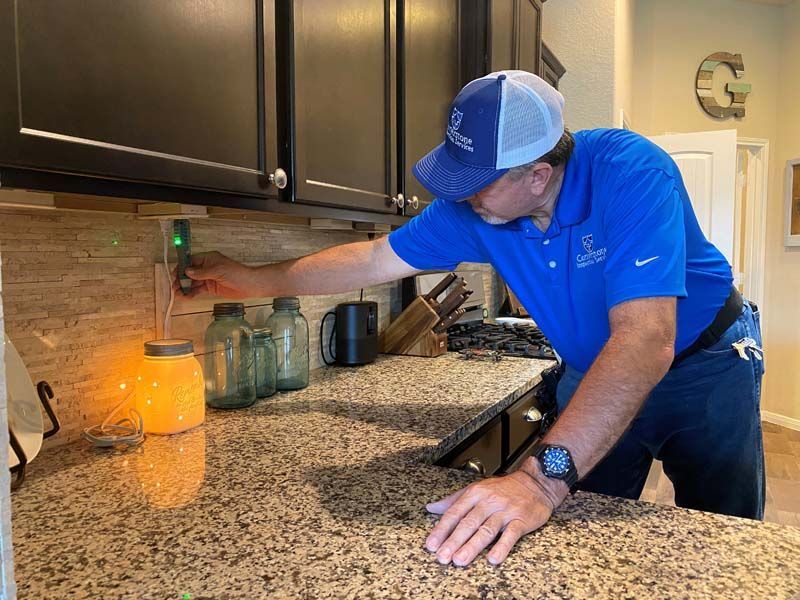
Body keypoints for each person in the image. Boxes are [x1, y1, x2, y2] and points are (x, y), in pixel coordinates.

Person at [179, 71, 765, 567]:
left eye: (475, 183)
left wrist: (537, 480)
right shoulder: (476, 209)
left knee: (722, 531)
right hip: (594, 369)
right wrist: (255, 278)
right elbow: (373, 257)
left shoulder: (632, 171)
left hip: (706, 363)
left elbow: (645, 339)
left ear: (537, 175)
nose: (462, 199)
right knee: (586, 524)